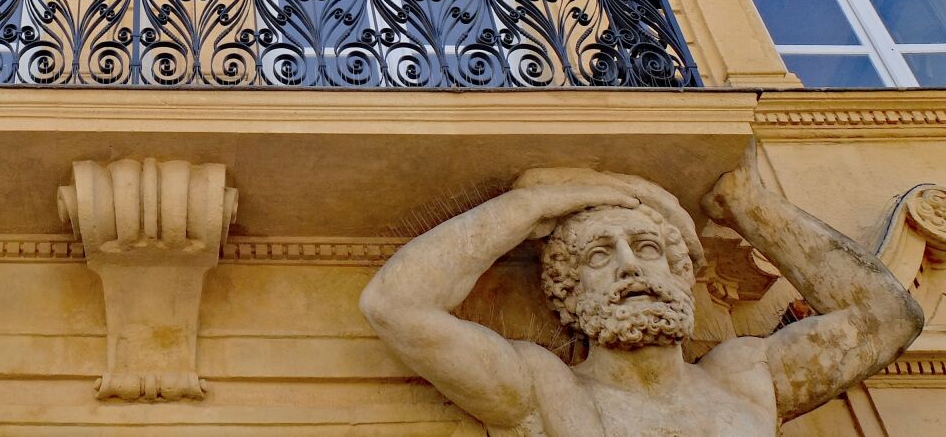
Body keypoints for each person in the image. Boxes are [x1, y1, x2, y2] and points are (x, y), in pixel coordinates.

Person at [359, 146, 923, 435]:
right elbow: (397, 306)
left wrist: (744, 205)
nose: (632, 267)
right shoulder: (543, 389)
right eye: (600, 256)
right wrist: (530, 207)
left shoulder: (747, 378)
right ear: (566, 295)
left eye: (649, 249)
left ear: (682, 276)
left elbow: (887, 317)